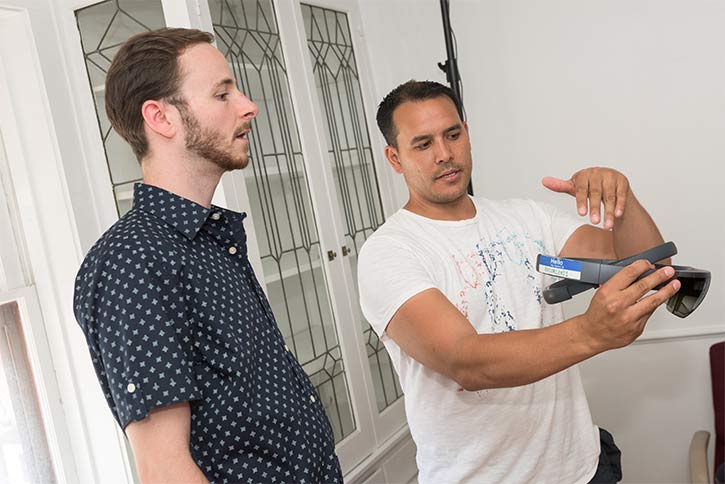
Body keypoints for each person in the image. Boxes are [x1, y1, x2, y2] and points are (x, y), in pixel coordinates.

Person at [357, 80, 681, 484]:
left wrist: (623, 199)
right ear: (395, 158)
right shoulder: (390, 252)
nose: (444, 154)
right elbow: (466, 361)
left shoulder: (528, 218)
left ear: (467, 134)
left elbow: (650, 267)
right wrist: (592, 333)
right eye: (423, 145)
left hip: (581, 469)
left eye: (453, 135)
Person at [73, 28, 342, 483]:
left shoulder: (210, 240)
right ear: (161, 118)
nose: (248, 105)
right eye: (223, 93)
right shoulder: (133, 261)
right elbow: (165, 470)